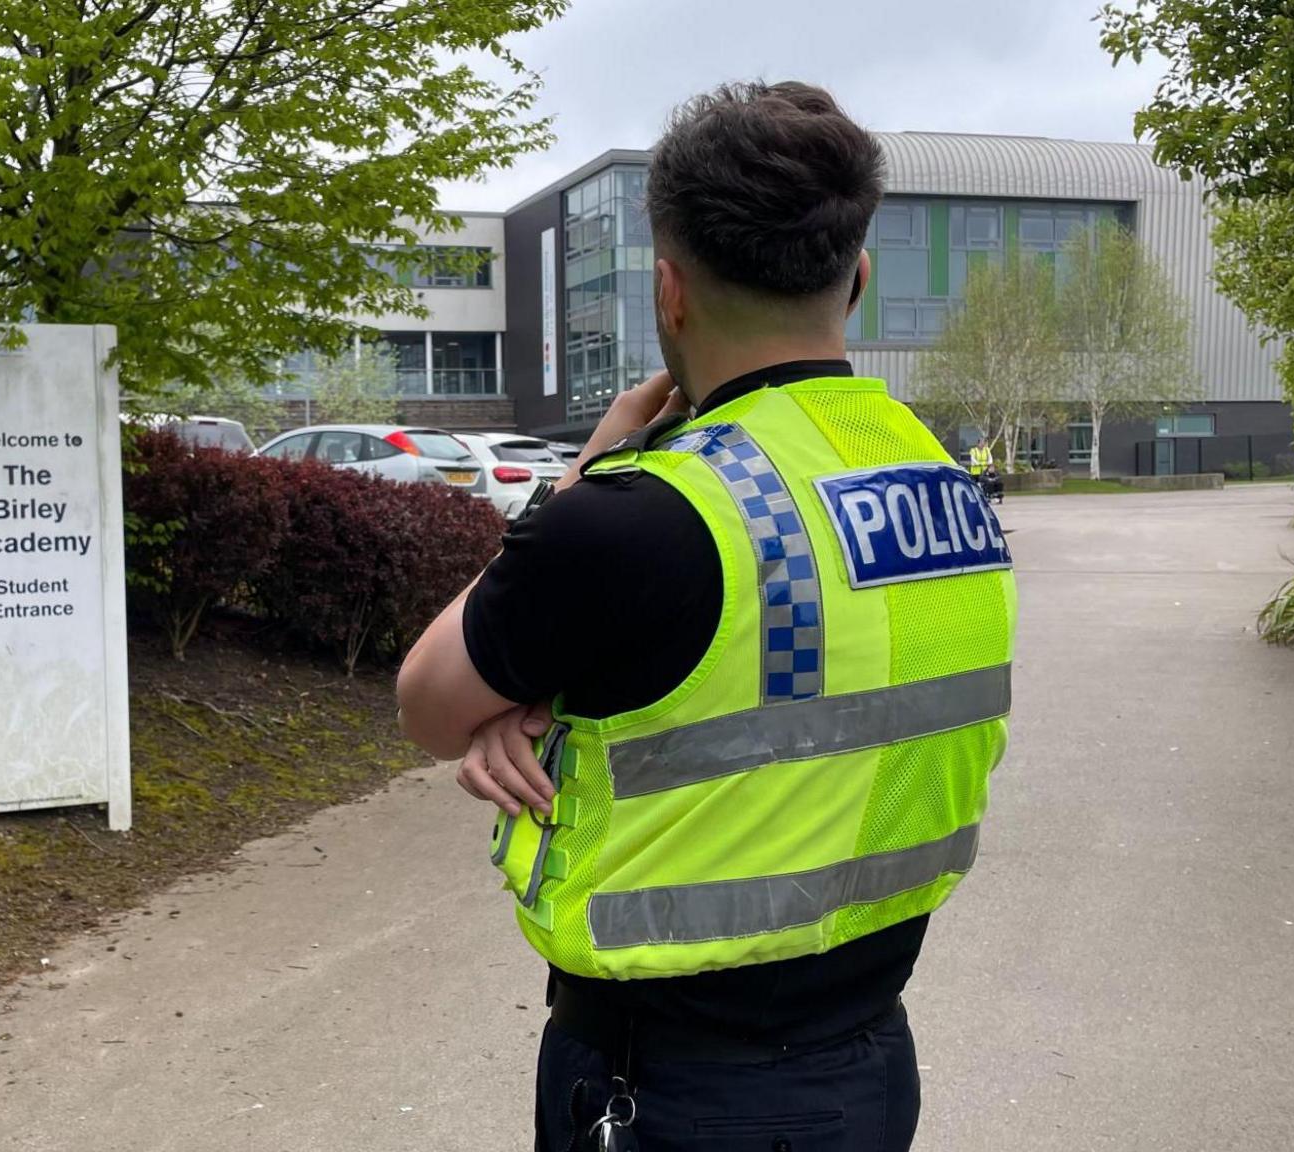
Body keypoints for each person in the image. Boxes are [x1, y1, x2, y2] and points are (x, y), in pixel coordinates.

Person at [396, 81, 1017, 1152]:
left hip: (671, 1093)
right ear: (856, 278)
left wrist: (582, 479)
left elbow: (426, 702)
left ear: (668, 292)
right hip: (865, 1068)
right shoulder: (945, 489)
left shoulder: (639, 518)